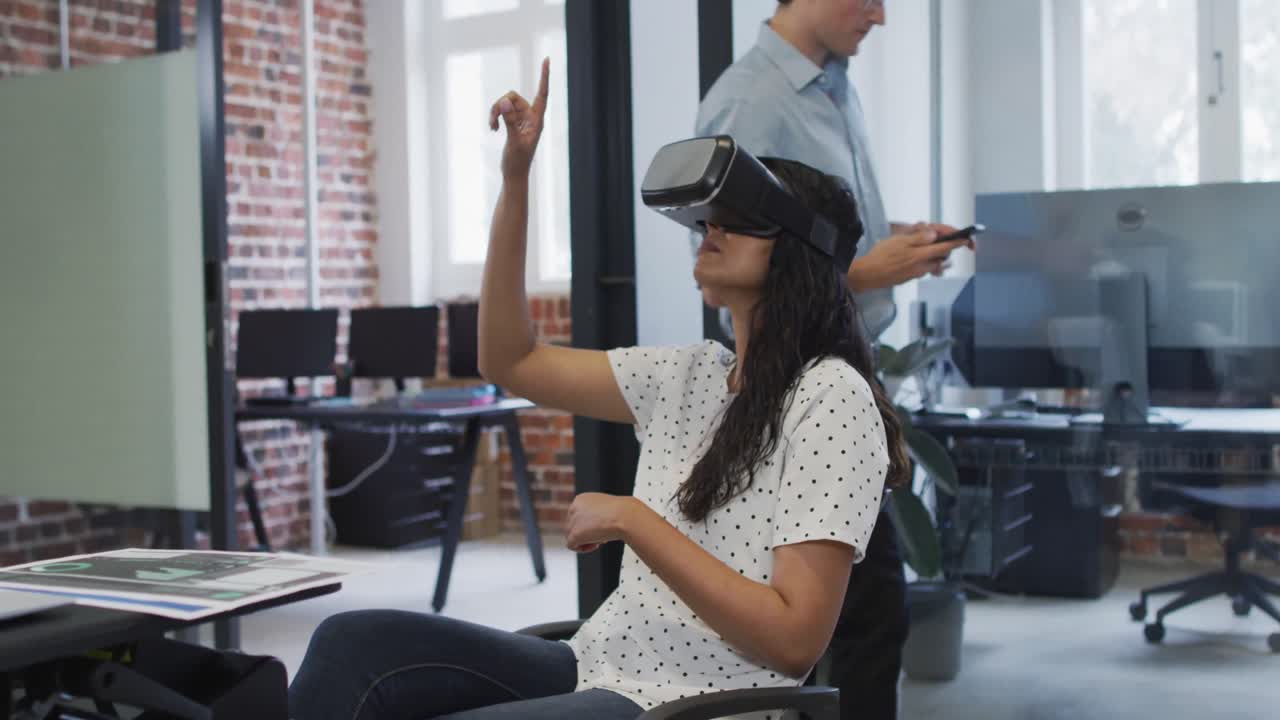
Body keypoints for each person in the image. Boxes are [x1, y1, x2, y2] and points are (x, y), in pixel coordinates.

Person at [288, 58, 908, 720]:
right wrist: (516, 179)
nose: (711, 229)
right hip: (595, 664)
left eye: (740, 219)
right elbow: (511, 360)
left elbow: (793, 639)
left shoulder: (830, 397)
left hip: (691, 705)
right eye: (711, 216)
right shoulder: (690, 374)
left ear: (801, 250)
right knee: (350, 643)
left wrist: (632, 520)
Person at [696, 2, 974, 718]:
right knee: (864, 621)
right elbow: (727, 271)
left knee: (867, 618)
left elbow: (812, 237)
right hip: (795, 381)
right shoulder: (751, 102)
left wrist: (895, 242)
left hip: (839, 367)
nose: (880, 16)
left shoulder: (834, 90)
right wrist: (871, 269)